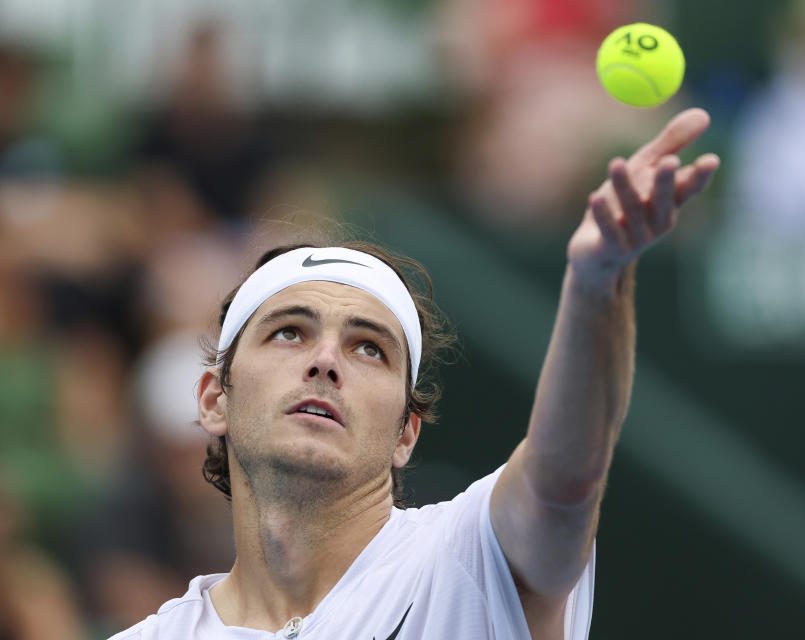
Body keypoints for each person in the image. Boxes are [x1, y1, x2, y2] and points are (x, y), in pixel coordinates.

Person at [107, 108, 719, 640]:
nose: (324, 361)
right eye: (289, 331)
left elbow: (564, 481)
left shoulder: (473, 562)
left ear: (407, 433)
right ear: (215, 397)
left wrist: (598, 283)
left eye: (369, 348)